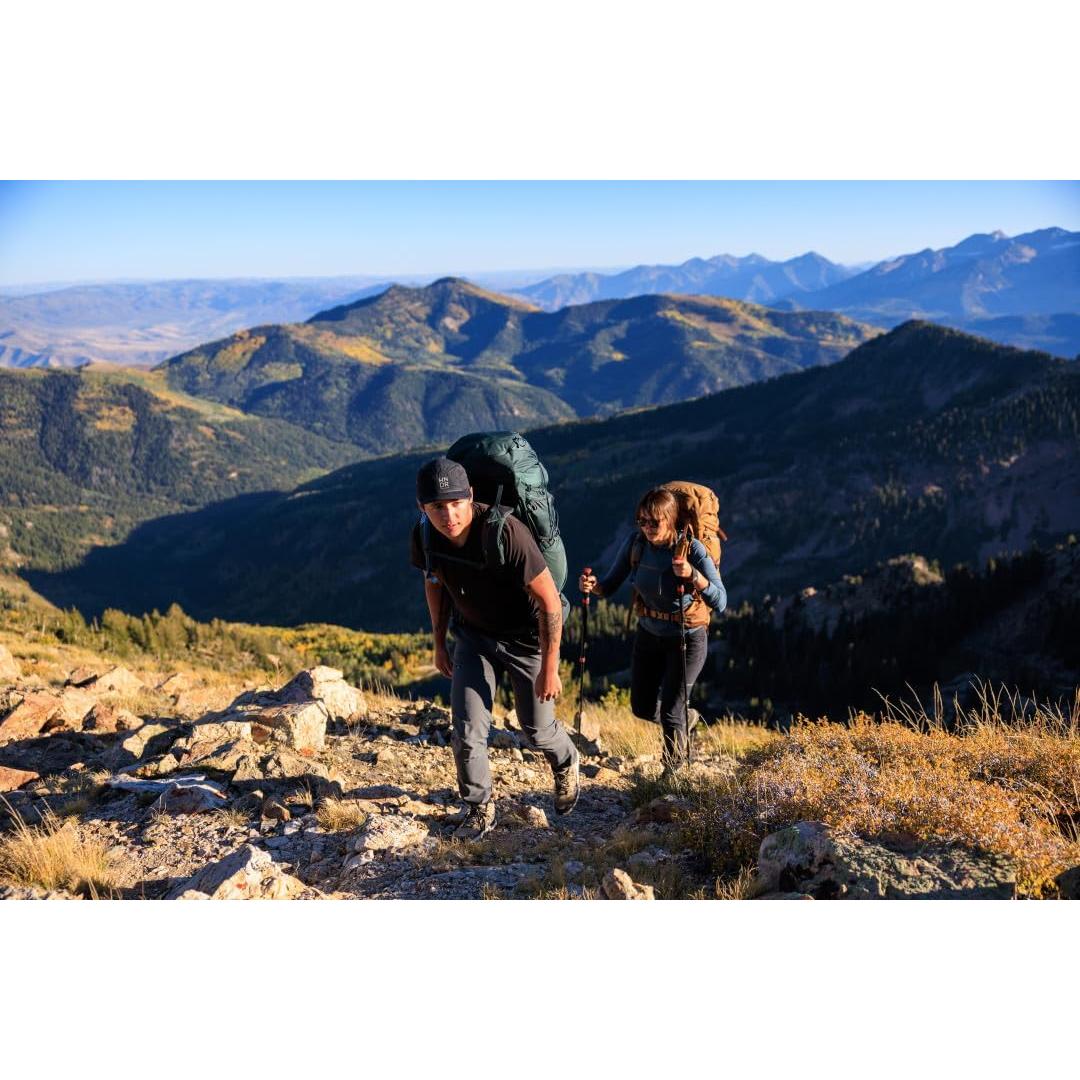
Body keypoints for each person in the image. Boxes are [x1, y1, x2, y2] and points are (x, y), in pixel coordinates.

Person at [411, 456, 580, 839]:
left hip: (526, 641)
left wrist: (549, 667)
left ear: (470, 496)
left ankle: (566, 759)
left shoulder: (506, 533)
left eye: (456, 502)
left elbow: (550, 603)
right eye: (437, 506)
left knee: (536, 730)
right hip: (474, 637)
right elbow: (434, 582)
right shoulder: (424, 535)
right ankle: (477, 808)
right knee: (468, 728)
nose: (449, 514)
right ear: (423, 507)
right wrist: (439, 643)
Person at [579, 487, 726, 773]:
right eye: (642, 521)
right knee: (642, 708)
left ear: (670, 520)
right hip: (649, 633)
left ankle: (673, 775)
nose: (646, 528)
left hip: (687, 636)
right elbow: (609, 585)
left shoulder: (692, 550)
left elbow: (720, 601)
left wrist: (693, 575)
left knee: (671, 712)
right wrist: (593, 587)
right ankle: (687, 718)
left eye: (653, 522)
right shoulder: (636, 544)